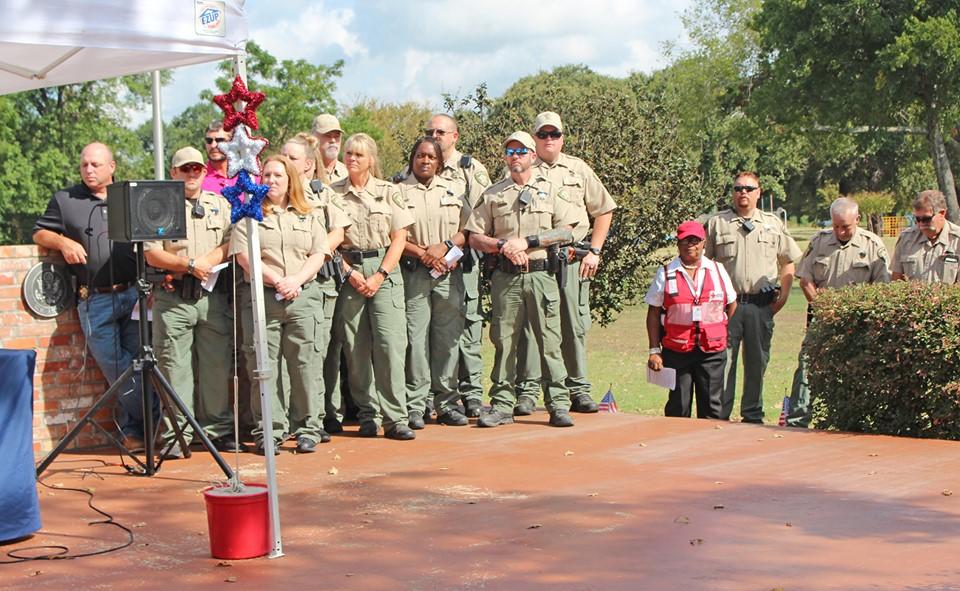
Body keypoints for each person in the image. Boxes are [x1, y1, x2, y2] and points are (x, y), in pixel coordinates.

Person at [33, 142, 144, 449]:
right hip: (94, 299)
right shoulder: (66, 199)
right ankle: (154, 415)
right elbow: (39, 233)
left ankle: (134, 433)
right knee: (116, 366)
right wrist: (63, 242)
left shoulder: (131, 196)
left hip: (134, 295)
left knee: (138, 361)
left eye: (96, 164)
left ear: (112, 167)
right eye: (84, 165)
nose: (89, 170)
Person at [465, 131, 579, 429]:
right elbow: (475, 236)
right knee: (504, 342)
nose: (515, 156)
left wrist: (527, 242)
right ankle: (502, 405)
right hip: (506, 277)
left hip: (542, 275)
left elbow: (567, 231)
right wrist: (502, 246)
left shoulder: (551, 189)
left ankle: (558, 404)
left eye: (521, 151)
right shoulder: (493, 194)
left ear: (532, 155)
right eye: (510, 151)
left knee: (550, 341)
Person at [514, 111, 618, 416]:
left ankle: (578, 389)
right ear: (533, 139)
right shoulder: (521, 169)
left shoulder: (577, 169)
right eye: (543, 134)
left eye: (554, 134)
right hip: (535, 261)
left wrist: (595, 250)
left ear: (562, 137)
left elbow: (604, 209)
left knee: (573, 323)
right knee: (532, 327)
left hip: (571, 258)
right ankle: (528, 391)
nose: (549, 140)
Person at [230, 154, 331, 454]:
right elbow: (245, 257)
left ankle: (307, 428)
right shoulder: (249, 215)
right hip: (264, 299)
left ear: (290, 181)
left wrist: (296, 280)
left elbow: (319, 253)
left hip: (303, 297)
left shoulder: (308, 213)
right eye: (267, 176)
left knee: (305, 364)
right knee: (263, 367)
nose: (272, 181)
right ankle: (269, 431)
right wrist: (279, 281)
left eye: (279, 176)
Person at [144, 147, 237, 456]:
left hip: (211, 297)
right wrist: (187, 266)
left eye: (197, 168)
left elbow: (231, 241)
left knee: (216, 366)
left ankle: (218, 431)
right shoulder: (156, 205)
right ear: (173, 173)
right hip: (173, 298)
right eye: (185, 169)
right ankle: (177, 434)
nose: (192, 174)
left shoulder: (219, 205)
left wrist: (203, 262)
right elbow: (151, 252)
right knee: (174, 368)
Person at [331, 133, 416, 440]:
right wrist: (351, 273)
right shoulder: (332, 194)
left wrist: (380, 274)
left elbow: (400, 237)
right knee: (356, 348)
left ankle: (396, 418)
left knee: (391, 346)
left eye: (359, 155)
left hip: (384, 270)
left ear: (371, 160)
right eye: (349, 154)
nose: (352, 159)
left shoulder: (388, 191)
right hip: (348, 270)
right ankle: (368, 414)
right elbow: (328, 242)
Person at [704, 172, 802, 423]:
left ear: (759, 192)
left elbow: (788, 262)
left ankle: (752, 415)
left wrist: (783, 297)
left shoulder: (773, 223)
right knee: (723, 363)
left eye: (749, 188)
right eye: (738, 188)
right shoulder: (717, 223)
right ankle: (719, 415)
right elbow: (704, 263)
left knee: (757, 363)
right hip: (727, 307)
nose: (743, 193)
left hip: (760, 306)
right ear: (733, 192)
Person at [786, 198, 890, 427]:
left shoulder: (872, 245)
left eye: (846, 226)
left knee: (857, 371)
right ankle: (797, 419)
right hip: (821, 319)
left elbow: (882, 289)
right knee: (806, 367)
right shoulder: (819, 242)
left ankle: (853, 420)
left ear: (858, 220)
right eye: (836, 226)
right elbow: (805, 280)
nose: (841, 231)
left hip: (858, 323)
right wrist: (824, 310)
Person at [398, 136, 471, 429]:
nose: (425, 161)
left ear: (439, 162)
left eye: (430, 157)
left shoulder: (455, 190)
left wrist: (444, 249)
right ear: (412, 159)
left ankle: (447, 403)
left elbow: (468, 229)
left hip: (448, 273)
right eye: (419, 156)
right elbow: (395, 235)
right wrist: (424, 253)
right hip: (414, 272)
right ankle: (416, 405)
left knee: (447, 340)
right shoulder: (398, 192)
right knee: (415, 341)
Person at [280, 135, 351, 434]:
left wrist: (314, 254)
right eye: (282, 156)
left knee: (318, 352)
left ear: (308, 164)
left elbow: (340, 231)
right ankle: (287, 420)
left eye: (292, 158)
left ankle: (316, 417)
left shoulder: (321, 194)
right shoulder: (273, 198)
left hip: (318, 284)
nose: (286, 162)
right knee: (286, 359)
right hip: (282, 286)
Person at [423, 113, 492, 418]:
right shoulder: (420, 167)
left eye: (441, 131)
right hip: (428, 264)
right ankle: (430, 393)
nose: (435, 135)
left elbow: (481, 218)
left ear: (455, 136)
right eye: (430, 131)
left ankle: (472, 392)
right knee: (433, 330)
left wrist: (451, 251)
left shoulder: (470, 170)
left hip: (463, 260)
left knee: (469, 325)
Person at [646, 221, 737, 418]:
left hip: (711, 350)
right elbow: (653, 312)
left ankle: (709, 447)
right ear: (678, 244)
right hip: (677, 350)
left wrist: (719, 329)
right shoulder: (666, 272)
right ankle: (677, 447)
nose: (690, 245)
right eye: (685, 240)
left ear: (703, 243)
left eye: (695, 240)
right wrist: (654, 350)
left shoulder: (718, 270)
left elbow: (731, 303)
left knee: (712, 408)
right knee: (678, 406)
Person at [891, 189, 960, 283]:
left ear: (942, 213)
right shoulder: (906, 238)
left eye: (926, 219)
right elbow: (896, 281)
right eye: (917, 219)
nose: (921, 224)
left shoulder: (957, 241)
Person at [201, 121, 236, 194]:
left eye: (220, 140)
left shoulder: (248, 174)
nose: (213, 145)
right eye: (209, 141)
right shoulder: (198, 177)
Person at [312, 113, 348, 184]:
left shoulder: (349, 173)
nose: (333, 140)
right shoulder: (305, 171)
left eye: (337, 136)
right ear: (314, 138)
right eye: (327, 135)